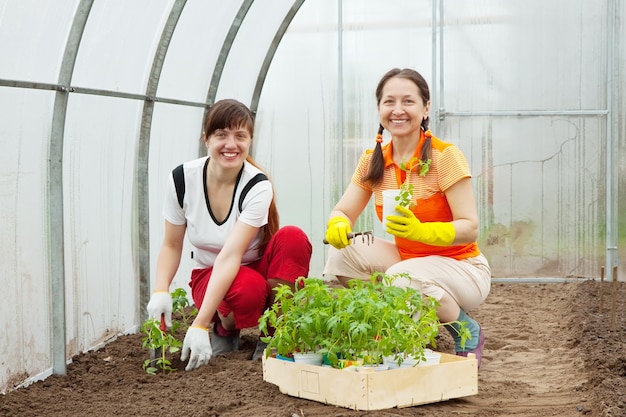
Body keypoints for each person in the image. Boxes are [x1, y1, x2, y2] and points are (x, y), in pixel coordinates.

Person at [323, 68, 491, 368]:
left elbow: (470, 228)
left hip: (463, 269)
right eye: (389, 102)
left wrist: (422, 231)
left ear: (425, 109)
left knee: (400, 278)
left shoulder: (444, 157)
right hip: (407, 261)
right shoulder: (374, 160)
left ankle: (465, 328)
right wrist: (338, 222)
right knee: (341, 254)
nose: (397, 110)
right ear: (379, 109)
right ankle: (395, 320)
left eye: (408, 102)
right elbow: (343, 210)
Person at [147, 98, 312, 371]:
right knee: (247, 289)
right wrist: (161, 289)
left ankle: (274, 335)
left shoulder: (257, 185)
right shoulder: (182, 179)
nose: (231, 144)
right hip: (210, 273)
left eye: (240, 136)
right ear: (206, 138)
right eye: (221, 135)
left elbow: (232, 254)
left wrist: (198, 323)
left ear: (250, 140)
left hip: (250, 265)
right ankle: (224, 327)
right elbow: (171, 244)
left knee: (292, 237)